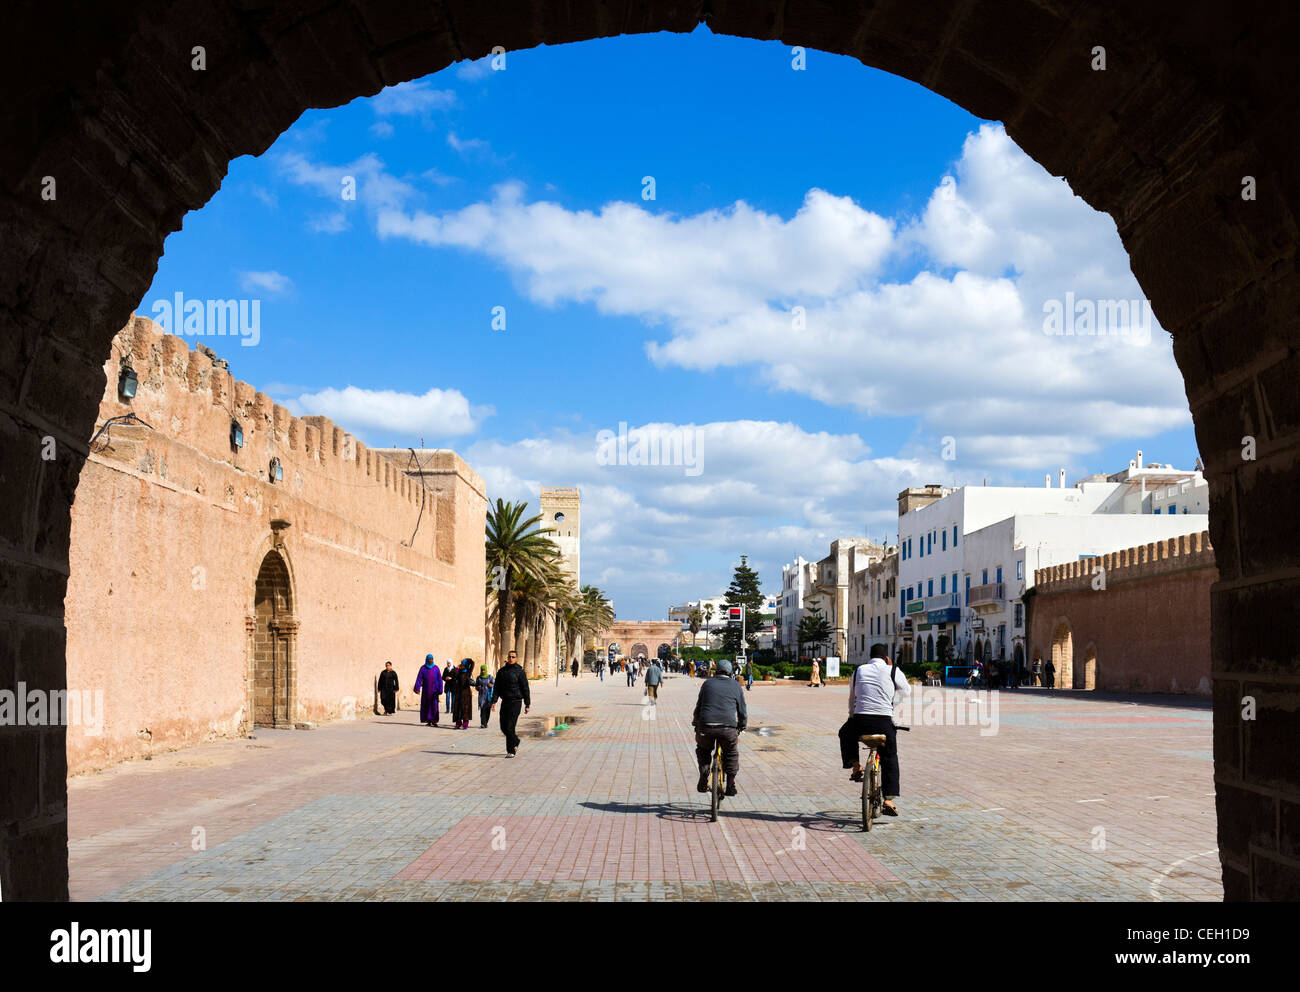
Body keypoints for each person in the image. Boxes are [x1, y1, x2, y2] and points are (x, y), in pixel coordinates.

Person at [838, 643, 911, 816]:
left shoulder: (859, 670)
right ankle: (889, 799)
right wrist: (891, 703)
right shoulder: (893, 670)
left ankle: (856, 765)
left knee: (844, 733)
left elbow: (852, 698)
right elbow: (906, 691)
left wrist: (851, 717)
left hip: (860, 719)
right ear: (887, 658)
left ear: (869, 657)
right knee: (890, 756)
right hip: (884, 721)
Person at [692, 659, 747, 797]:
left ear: (716, 671)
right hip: (728, 728)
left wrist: (696, 722)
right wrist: (742, 724)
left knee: (704, 750)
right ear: (730, 673)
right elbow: (742, 710)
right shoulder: (735, 685)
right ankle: (730, 785)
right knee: (731, 754)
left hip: (706, 726)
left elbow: (699, 706)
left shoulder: (707, 684)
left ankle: (704, 773)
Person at [491, 649, 531, 757]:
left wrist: (527, 704)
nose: (511, 659)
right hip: (505, 702)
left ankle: (511, 751)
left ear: (516, 659)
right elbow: (496, 688)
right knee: (503, 726)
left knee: (510, 727)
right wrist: (494, 701)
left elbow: (525, 688)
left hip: (516, 702)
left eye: (513, 657)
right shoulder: (502, 672)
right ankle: (516, 741)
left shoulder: (520, 672)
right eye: (509, 657)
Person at [413, 654, 443, 726]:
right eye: (429, 659)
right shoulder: (423, 668)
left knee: (434, 706)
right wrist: (417, 688)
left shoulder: (436, 668)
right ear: (426, 660)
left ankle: (434, 720)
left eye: (431, 659)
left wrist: (440, 689)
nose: (430, 660)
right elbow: (419, 678)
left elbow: (439, 679)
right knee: (426, 705)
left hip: (434, 691)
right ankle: (428, 720)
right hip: (426, 691)